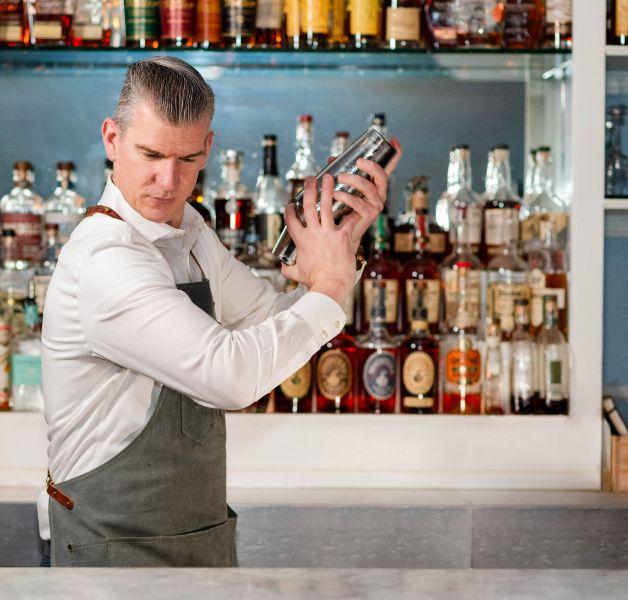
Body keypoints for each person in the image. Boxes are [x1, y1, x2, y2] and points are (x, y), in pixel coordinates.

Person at [39, 56, 402, 567]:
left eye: (187, 158)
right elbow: (228, 375)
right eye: (151, 154)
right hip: (112, 555)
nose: (168, 180)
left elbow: (268, 318)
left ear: (208, 148)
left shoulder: (189, 232)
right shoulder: (107, 258)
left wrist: (342, 245)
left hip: (194, 542)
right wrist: (328, 287)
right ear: (112, 139)